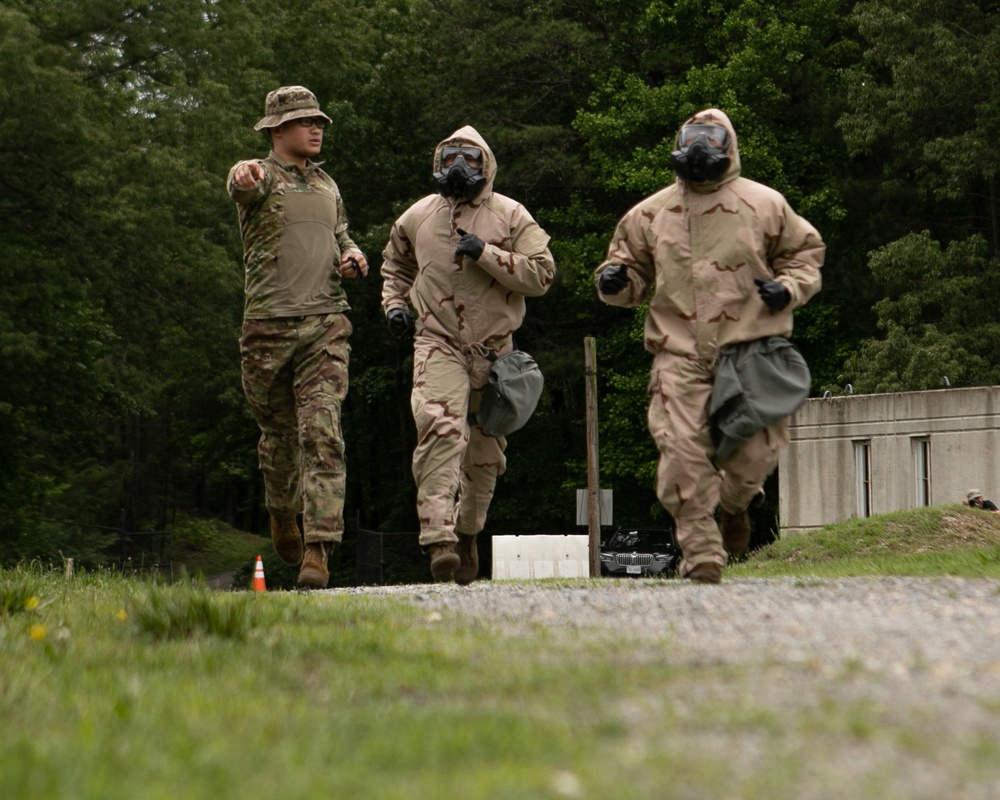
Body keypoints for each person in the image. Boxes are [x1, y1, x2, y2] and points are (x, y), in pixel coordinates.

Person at [594, 108, 824, 584]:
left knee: (754, 454)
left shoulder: (764, 204)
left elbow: (804, 254)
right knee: (681, 453)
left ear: (729, 147)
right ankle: (701, 554)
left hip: (752, 347)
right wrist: (615, 281)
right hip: (677, 352)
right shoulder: (650, 213)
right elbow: (625, 272)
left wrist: (789, 288)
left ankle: (737, 505)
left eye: (712, 140)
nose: (701, 149)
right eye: (693, 139)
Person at [380, 125, 555, 584]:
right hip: (437, 343)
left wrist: (487, 253)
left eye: (470, 159)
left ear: (487, 165)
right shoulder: (417, 216)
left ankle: (467, 534)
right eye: (450, 157)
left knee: (484, 454)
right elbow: (394, 265)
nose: (459, 167)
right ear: (438, 163)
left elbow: (542, 275)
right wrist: (396, 306)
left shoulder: (511, 215)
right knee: (439, 429)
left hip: (496, 352)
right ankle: (438, 540)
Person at [227, 86, 369, 589]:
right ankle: (281, 512)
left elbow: (343, 234)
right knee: (281, 438)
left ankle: (319, 548)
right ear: (276, 130)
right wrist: (243, 173)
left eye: (320, 122)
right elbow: (243, 182)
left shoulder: (329, 185)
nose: (317, 129)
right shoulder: (261, 176)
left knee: (323, 432)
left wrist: (354, 255)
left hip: (326, 324)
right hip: (267, 329)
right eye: (305, 122)